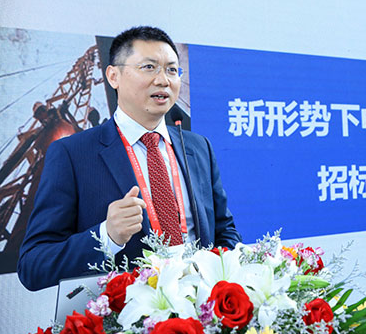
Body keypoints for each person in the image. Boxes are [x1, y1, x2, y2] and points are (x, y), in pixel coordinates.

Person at [18, 26, 241, 291]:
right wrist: (107, 236)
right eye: (149, 67)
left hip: (201, 308)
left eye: (172, 70)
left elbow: (224, 231)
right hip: (126, 313)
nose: (163, 80)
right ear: (114, 76)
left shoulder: (198, 147)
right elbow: (33, 266)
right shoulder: (72, 154)